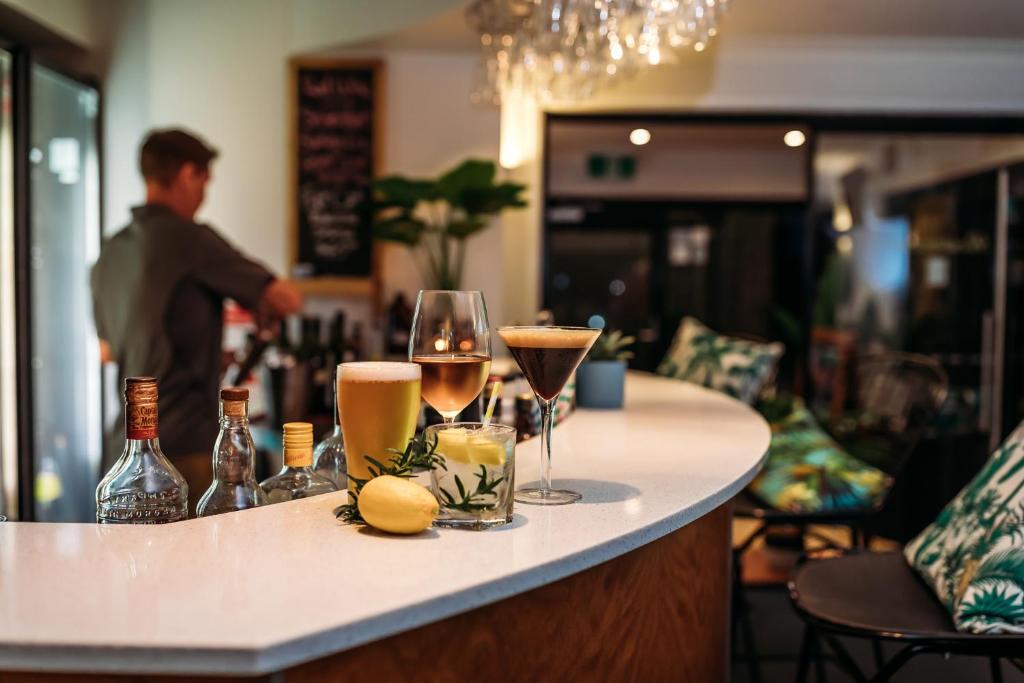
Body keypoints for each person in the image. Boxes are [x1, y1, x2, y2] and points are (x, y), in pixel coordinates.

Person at [92, 129, 302, 512]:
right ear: (189, 174)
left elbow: (110, 351)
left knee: (129, 568)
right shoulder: (190, 239)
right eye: (205, 183)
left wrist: (202, 355)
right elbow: (286, 299)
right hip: (180, 453)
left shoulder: (112, 252)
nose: (204, 197)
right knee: (192, 568)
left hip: (120, 453)